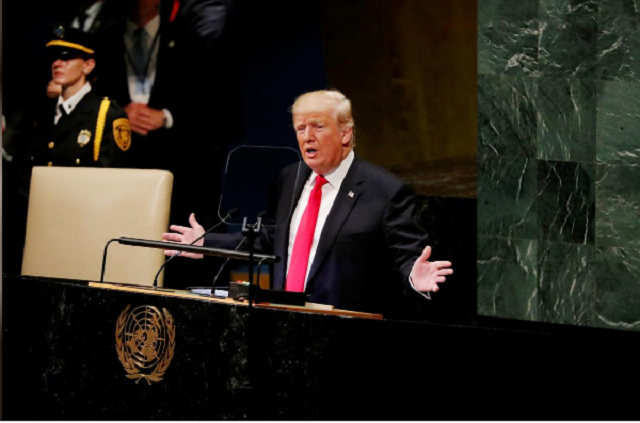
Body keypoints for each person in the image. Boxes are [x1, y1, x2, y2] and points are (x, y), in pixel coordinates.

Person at [162, 90, 453, 316]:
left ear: (345, 133)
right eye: (300, 129)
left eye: (318, 127)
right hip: (286, 326)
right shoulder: (291, 177)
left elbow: (406, 259)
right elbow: (274, 239)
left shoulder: (386, 191)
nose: (307, 137)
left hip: (348, 339)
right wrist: (204, 244)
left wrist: (414, 278)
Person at [26, 26, 131, 169]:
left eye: (66, 57)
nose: (57, 63)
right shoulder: (44, 113)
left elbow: (111, 177)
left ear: (88, 66)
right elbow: (27, 174)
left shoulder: (106, 115)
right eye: (54, 57)